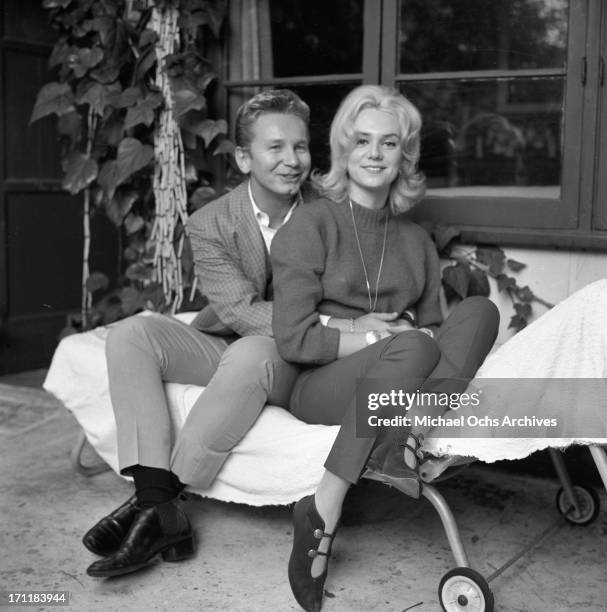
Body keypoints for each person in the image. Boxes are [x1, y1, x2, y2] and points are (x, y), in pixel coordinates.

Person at [270, 85, 500, 612]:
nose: (375, 154)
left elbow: (442, 337)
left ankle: (408, 428)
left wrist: (413, 342)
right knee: (414, 346)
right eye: (363, 141)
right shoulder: (311, 224)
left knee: (480, 311)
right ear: (344, 150)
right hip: (319, 382)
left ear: (404, 157)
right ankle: (324, 506)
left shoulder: (417, 242)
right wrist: (380, 336)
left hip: (403, 375)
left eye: (389, 143)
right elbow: (293, 337)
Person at [83, 89, 312, 578]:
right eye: (276, 148)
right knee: (131, 335)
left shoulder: (328, 212)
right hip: (233, 336)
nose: (293, 161)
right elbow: (238, 309)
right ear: (246, 158)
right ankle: (159, 507)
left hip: (296, 354)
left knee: (252, 353)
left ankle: (155, 507)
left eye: (301, 147)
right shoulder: (211, 221)